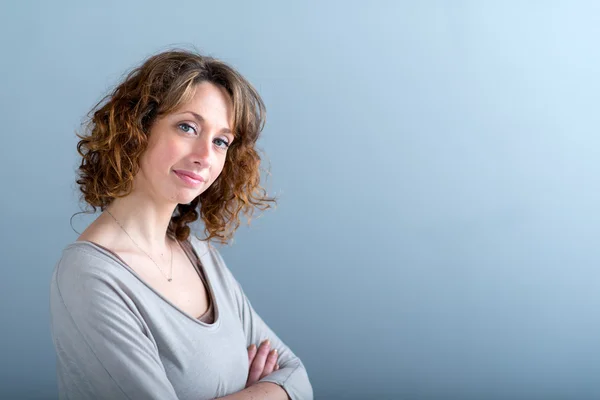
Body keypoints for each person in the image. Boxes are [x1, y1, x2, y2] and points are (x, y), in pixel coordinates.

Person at [48, 48, 313, 400]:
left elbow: (297, 379)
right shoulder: (90, 276)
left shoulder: (200, 256)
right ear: (137, 129)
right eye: (187, 127)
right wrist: (263, 390)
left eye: (221, 141)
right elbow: (283, 388)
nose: (205, 156)